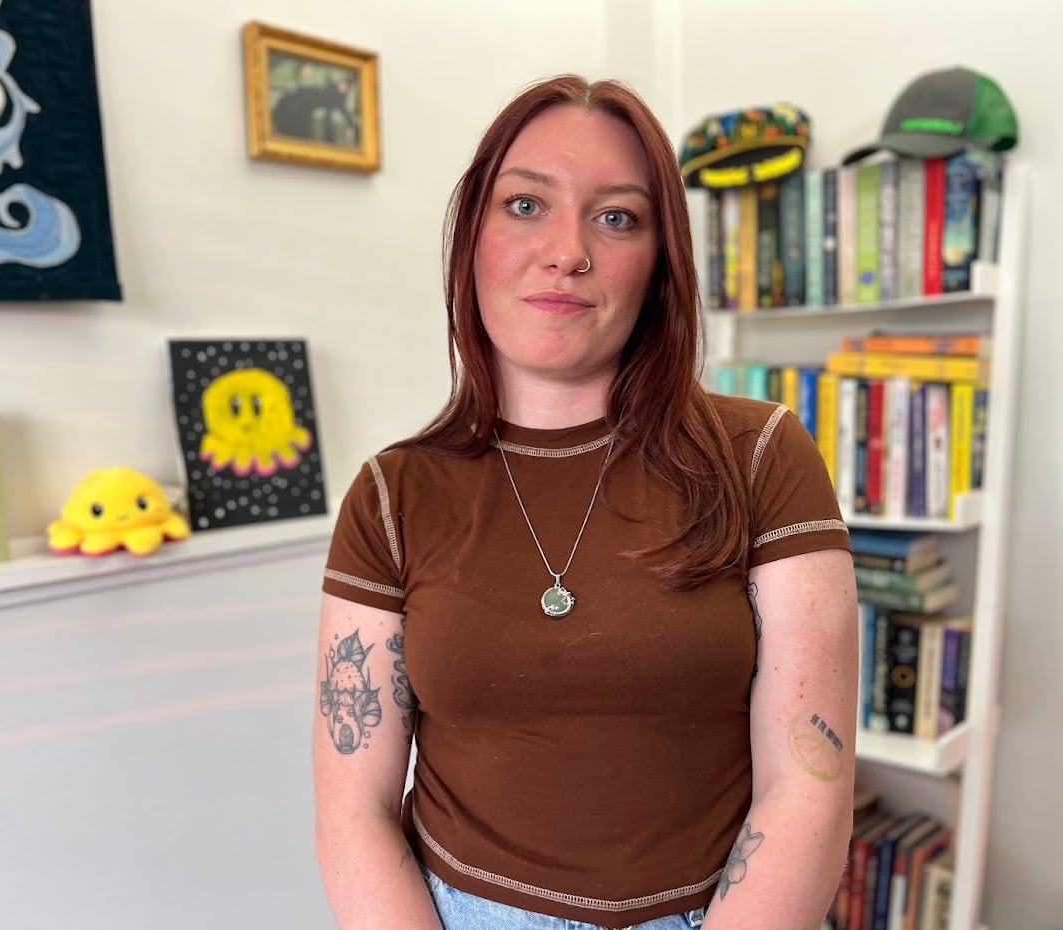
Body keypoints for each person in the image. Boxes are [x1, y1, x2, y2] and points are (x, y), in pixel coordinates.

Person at [314, 74, 857, 930]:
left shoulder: (763, 456)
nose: (567, 250)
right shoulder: (392, 495)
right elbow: (354, 809)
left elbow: (809, 788)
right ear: (472, 241)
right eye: (526, 205)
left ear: (659, 262)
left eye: (617, 217)